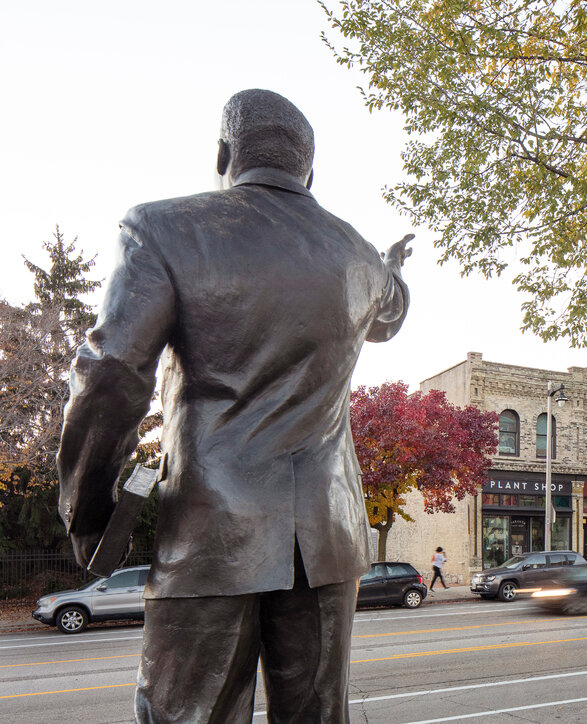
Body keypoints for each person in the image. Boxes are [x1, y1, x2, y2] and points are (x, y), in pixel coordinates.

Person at [56, 89, 411, 723]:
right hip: (329, 538)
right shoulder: (357, 256)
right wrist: (391, 268)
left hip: (211, 534)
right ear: (310, 173)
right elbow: (391, 314)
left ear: (223, 155)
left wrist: (88, 511)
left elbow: (112, 371)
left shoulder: (163, 227)